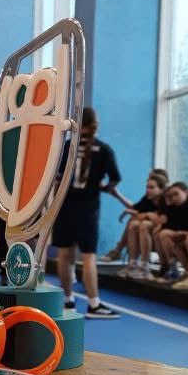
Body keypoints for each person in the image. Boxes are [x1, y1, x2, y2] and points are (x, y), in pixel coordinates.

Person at [52, 106, 120, 318]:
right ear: (95, 125)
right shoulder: (105, 150)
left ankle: (67, 301)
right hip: (88, 209)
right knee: (88, 257)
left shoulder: (65, 147)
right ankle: (94, 304)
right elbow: (115, 178)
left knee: (65, 254)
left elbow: (56, 179)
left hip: (64, 207)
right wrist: (104, 186)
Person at [102, 169, 168, 270]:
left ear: (162, 186)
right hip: (151, 232)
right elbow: (136, 209)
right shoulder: (149, 198)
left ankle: (122, 252)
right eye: (147, 185)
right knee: (134, 223)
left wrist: (144, 215)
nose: (148, 188)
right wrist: (118, 196)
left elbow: (159, 219)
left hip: (162, 233)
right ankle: (132, 264)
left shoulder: (167, 199)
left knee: (141, 223)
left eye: (151, 186)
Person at [154, 182, 188, 280]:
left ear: (186, 192)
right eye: (171, 196)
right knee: (163, 234)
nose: (174, 198)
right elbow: (169, 226)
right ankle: (179, 270)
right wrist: (168, 205)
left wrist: (184, 233)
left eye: (176, 194)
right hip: (184, 236)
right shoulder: (175, 206)